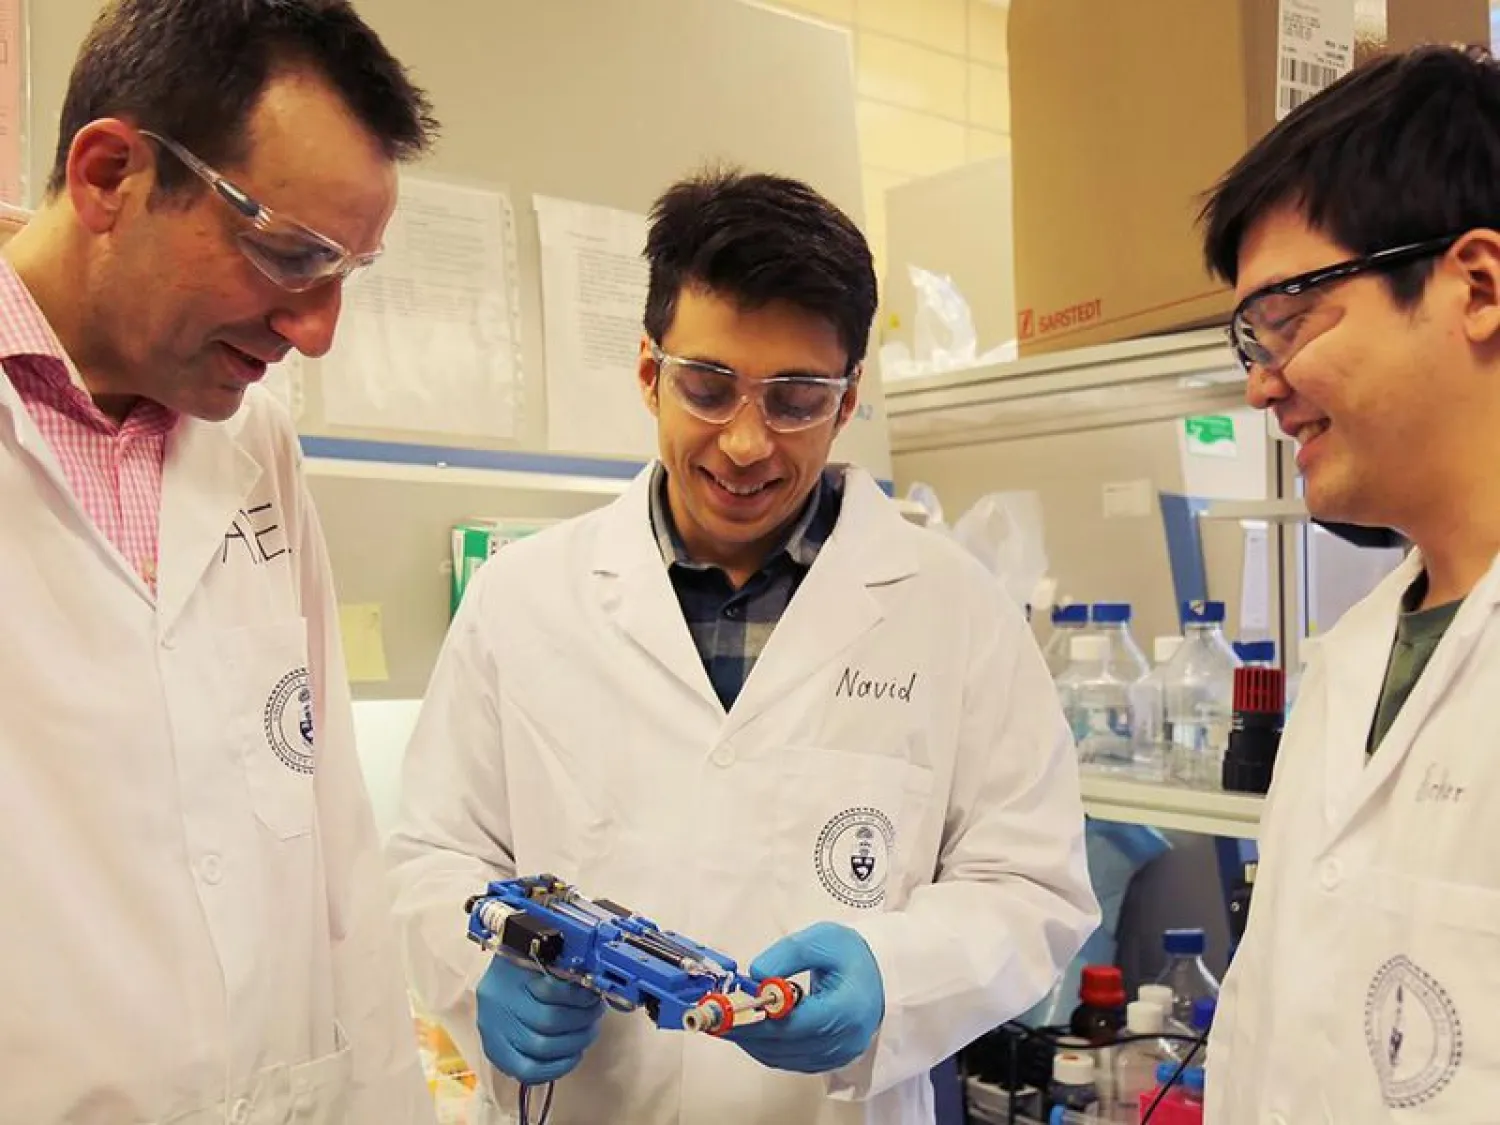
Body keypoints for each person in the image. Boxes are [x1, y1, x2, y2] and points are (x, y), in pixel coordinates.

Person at [386, 167, 1098, 1125]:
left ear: (848, 403)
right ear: (650, 374)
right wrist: (481, 971)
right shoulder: (523, 597)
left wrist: (894, 975)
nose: (748, 442)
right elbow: (432, 851)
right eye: (709, 387)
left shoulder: (956, 610)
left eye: (797, 398)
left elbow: (1032, 884)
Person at [0, 2, 440, 1121]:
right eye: (290, 255)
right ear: (111, 176)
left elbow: (336, 842)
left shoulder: (256, 447)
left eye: (348, 273)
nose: (317, 330)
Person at [1198, 44, 1500, 1122]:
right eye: (1251, 335)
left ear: (1476, 285)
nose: (1259, 381)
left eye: (1289, 317)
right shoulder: (1353, 657)